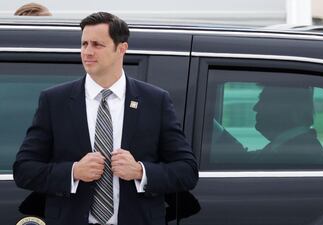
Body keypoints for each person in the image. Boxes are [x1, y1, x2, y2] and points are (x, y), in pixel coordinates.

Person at [13, 12, 198, 225]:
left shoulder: (155, 101)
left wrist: (140, 171)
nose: (87, 52)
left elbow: (187, 171)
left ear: (121, 49)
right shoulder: (55, 101)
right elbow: (24, 169)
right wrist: (73, 172)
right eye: (84, 44)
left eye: (97, 45)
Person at [252, 86, 323, 164]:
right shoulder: (291, 146)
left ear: (289, 110)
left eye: (264, 101)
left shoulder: (298, 152)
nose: (255, 108)